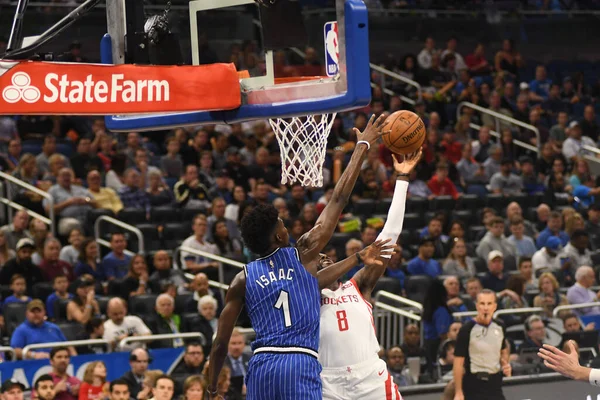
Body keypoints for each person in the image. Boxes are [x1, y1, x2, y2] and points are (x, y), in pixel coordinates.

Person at [207, 114, 388, 399]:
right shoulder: (302, 254)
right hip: (299, 362)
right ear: (279, 236)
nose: (286, 225)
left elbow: (220, 343)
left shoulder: (242, 278)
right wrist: (362, 146)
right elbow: (338, 199)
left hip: (263, 364)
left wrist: (212, 387)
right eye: (281, 223)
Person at [319, 150, 419, 399]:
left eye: (326, 258)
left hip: (370, 376)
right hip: (327, 381)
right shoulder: (306, 292)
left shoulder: (358, 285)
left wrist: (402, 179)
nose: (323, 259)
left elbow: (390, 234)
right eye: (318, 261)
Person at [453, 289, 511, 400]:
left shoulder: (500, 326)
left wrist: (505, 363)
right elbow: (458, 364)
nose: (485, 308)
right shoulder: (467, 329)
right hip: (474, 384)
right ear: (477, 306)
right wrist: (458, 392)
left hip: (495, 384)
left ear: (494, 306)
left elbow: (503, 349)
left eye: (489, 304)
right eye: (482, 303)